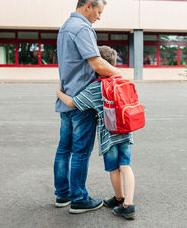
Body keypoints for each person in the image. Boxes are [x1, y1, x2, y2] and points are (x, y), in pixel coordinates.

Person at [54, 0, 121, 214]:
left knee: (64, 148)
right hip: (81, 101)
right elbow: (98, 64)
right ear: (88, 6)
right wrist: (121, 76)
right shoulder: (82, 28)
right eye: (98, 12)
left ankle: (62, 195)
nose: (99, 17)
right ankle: (79, 199)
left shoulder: (65, 27)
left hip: (65, 98)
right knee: (80, 151)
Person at [56, 46, 136, 219]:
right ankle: (127, 203)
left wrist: (58, 92)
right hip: (127, 132)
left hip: (109, 136)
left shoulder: (96, 87)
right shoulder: (122, 81)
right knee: (126, 165)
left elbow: (72, 103)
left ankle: (120, 198)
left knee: (114, 169)